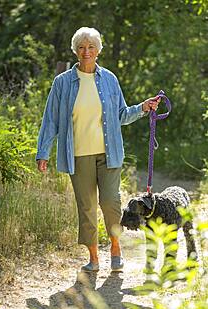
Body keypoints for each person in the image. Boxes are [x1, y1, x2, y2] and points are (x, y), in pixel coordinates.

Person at [36, 27, 160, 272]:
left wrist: (144, 107)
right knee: (87, 206)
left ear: (98, 51)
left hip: (109, 153)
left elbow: (122, 115)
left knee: (110, 202)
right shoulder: (62, 83)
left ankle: (115, 246)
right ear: (75, 51)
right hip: (78, 155)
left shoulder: (110, 79)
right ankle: (93, 257)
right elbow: (50, 119)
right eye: (81, 47)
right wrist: (43, 151)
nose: (86, 52)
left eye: (91, 47)